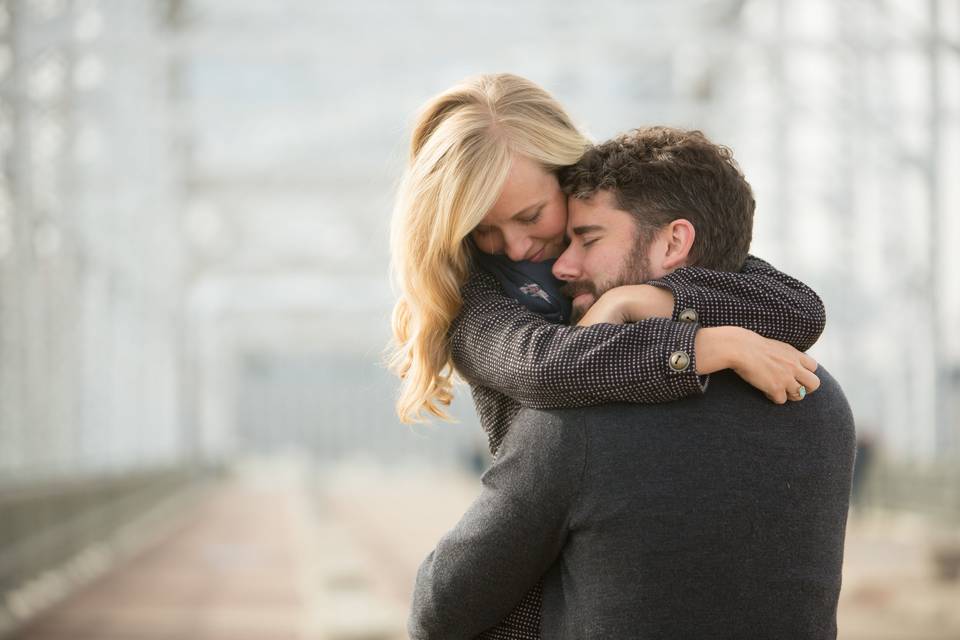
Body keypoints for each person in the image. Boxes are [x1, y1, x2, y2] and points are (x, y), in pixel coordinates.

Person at [389, 74, 826, 638]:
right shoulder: (475, 300)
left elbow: (798, 309)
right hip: (539, 562)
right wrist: (699, 345)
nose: (517, 248)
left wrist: (647, 297)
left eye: (530, 217)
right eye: (484, 232)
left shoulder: (626, 235)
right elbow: (543, 366)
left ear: (569, 180)